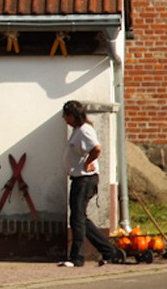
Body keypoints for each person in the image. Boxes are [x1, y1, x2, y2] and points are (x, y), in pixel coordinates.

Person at [59, 100, 119, 268]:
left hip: (85, 179)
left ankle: (77, 257)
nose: (64, 118)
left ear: (73, 115)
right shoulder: (77, 130)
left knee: (77, 218)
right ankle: (108, 250)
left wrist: (88, 162)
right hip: (78, 179)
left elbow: (96, 148)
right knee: (80, 218)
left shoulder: (85, 130)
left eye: (66, 115)